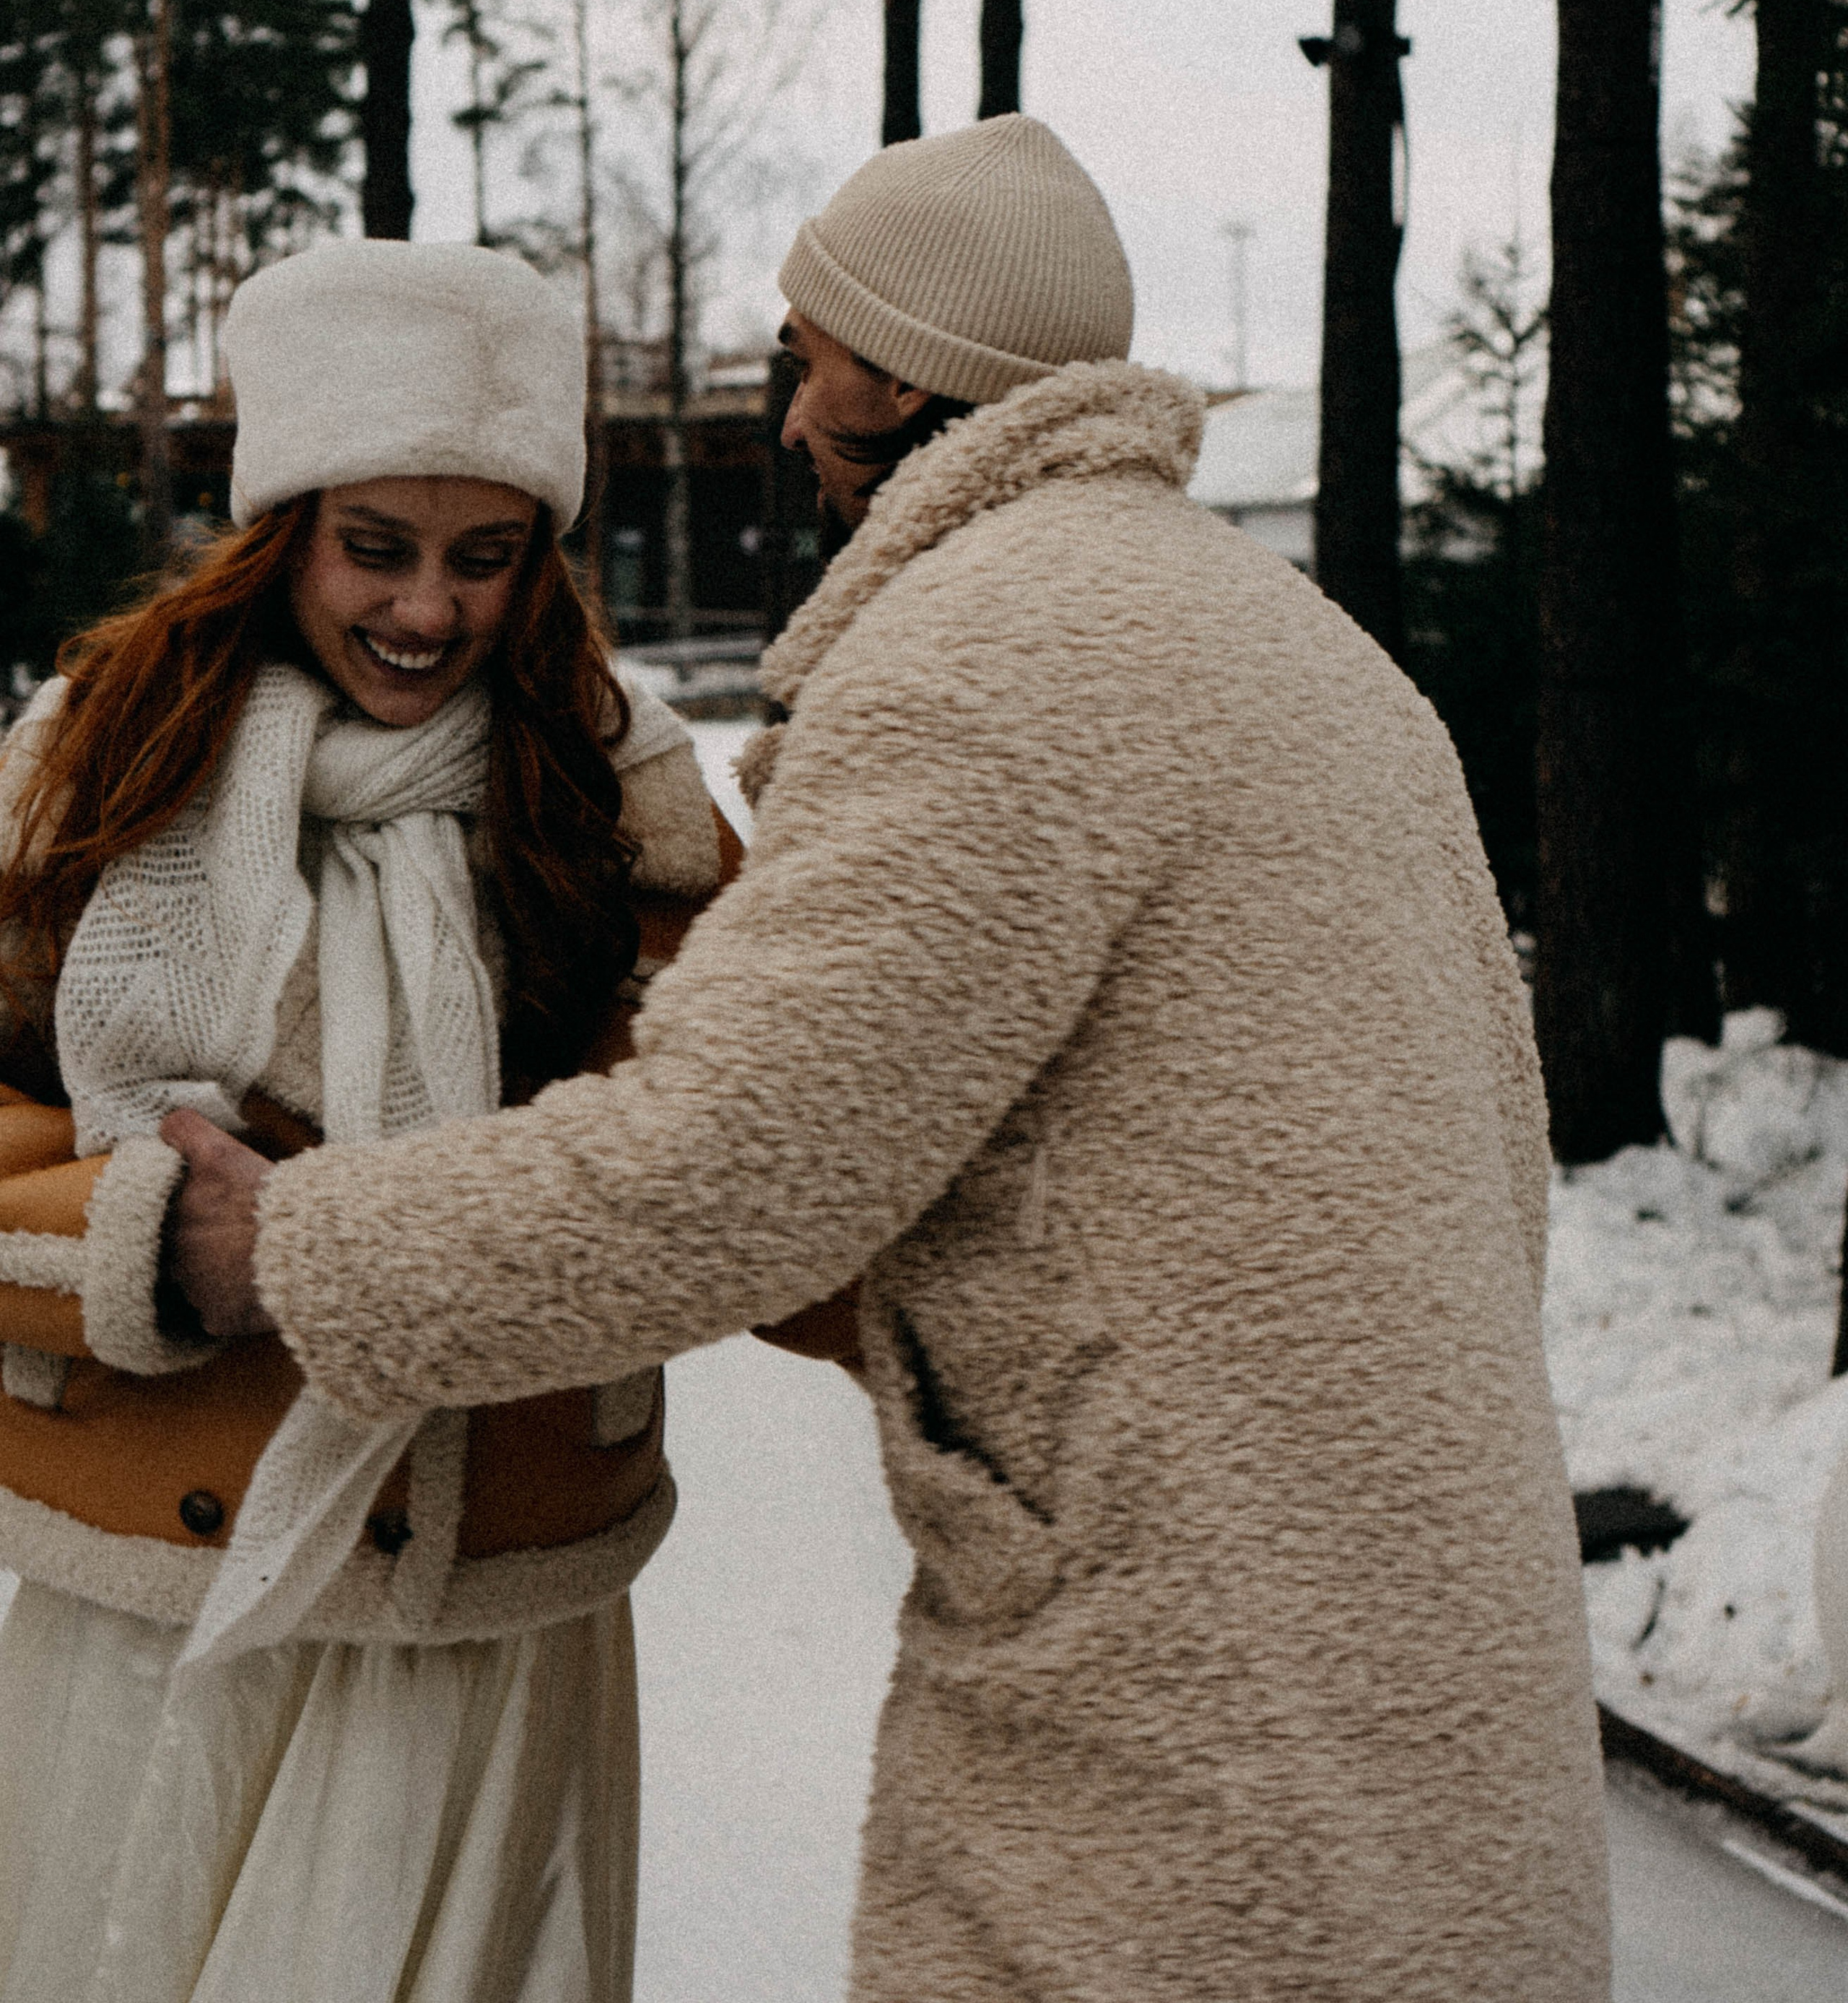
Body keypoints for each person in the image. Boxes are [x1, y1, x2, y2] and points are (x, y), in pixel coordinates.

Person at [172, 116, 1612, 2000]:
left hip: (1192, 1738)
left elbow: (722, 1174)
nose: (781, 414)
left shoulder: (997, 660)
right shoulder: (1304, 654)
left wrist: (290, 1246)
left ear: (910, 377)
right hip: (1429, 1683)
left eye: (805, 357)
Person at [0, 240, 740, 2003]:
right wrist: (137, 1243)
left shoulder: (619, 800)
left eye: (485, 560)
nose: (428, 613)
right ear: (283, 532)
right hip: (159, 1608)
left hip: (487, 1612)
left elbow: (728, 1171)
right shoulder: (85, 777)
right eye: (377, 550)